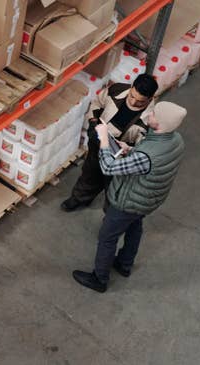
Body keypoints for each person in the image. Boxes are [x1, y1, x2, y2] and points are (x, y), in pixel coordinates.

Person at [72, 101, 186, 293]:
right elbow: (151, 157)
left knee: (107, 237)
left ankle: (99, 279)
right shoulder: (176, 140)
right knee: (135, 227)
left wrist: (105, 142)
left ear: (159, 123)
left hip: (128, 201)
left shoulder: (147, 155)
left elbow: (108, 167)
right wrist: (129, 149)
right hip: (147, 200)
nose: (149, 114)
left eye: (154, 114)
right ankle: (124, 264)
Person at [61, 74, 159, 212]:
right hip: (99, 144)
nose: (133, 102)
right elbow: (97, 103)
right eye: (132, 96)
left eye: (140, 102)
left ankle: (109, 214)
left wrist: (129, 149)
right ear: (131, 87)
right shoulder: (117, 90)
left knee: (113, 189)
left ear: (150, 99)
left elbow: (145, 147)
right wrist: (93, 122)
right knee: (89, 173)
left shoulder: (150, 120)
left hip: (121, 160)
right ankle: (79, 198)